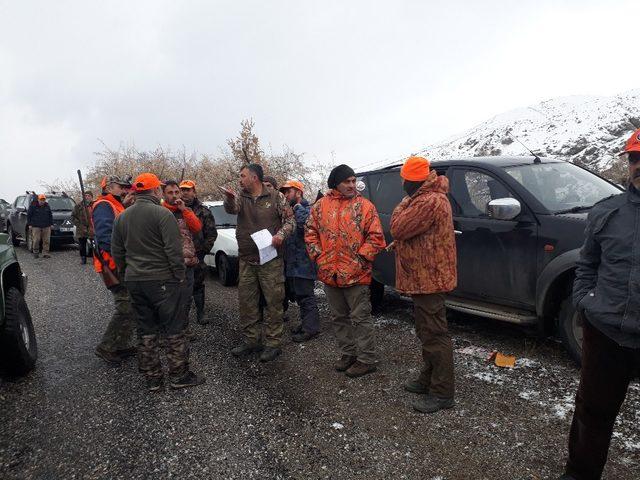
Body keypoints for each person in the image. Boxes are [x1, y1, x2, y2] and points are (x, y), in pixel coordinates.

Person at [559, 128, 640, 480]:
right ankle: (580, 472)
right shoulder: (607, 212)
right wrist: (585, 303)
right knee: (592, 411)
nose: (639, 165)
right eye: (635, 158)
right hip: (605, 331)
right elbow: (587, 263)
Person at [112, 172, 204, 391]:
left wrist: (127, 274)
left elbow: (117, 252)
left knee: (145, 329)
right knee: (174, 327)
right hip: (162, 280)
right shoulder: (163, 215)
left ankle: (153, 378)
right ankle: (178, 375)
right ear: (154, 191)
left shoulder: (122, 217)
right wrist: (179, 275)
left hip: (135, 280)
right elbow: (173, 251)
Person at [389, 156, 457, 413]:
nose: (403, 184)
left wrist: (404, 204)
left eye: (405, 179)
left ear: (413, 180)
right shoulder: (428, 198)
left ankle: (442, 393)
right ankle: (428, 379)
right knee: (426, 332)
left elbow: (398, 227)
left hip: (430, 279)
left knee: (435, 335)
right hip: (424, 278)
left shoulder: (427, 201)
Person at [305, 164, 386, 377]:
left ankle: (366, 358)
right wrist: (319, 256)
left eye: (353, 181)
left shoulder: (365, 206)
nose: (352, 185)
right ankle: (348, 353)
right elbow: (310, 232)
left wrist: (360, 259)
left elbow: (376, 237)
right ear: (335, 183)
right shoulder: (320, 206)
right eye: (347, 181)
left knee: (361, 318)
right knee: (338, 317)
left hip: (356, 274)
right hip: (329, 273)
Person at [221, 163, 294, 362]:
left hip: (270, 259)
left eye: (243, 176)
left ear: (254, 177)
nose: (240, 179)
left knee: (273, 302)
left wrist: (281, 235)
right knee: (247, 302)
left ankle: (273, 343)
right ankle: (251, 341)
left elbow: (290, 221)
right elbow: (231, 209)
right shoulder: (240, 197)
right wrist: (228, 198)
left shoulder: (276, 197)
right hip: (247, 259)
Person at [92, 175, 137, 365]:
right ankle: (106, 347)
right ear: (109, 188)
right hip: (114, 265)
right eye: (121, 187)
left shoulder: (114, 204)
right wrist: (122, 260)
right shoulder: (103, 205)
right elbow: (105, 237)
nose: (125, 190)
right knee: (125, 305)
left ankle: (121, 344)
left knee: (130, 305)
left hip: (119, 263)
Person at [279, 180, 320, 342]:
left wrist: (297, 208)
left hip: (304, 263)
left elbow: (306, 225)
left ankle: (311, 329)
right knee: (300, 297)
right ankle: (306, 325)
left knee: (306, 296)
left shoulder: (308, 208)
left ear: (298, 193)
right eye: (284, 192)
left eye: (288, 192)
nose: (285, 195)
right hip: (293, 264)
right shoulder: (288, 211)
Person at [163, 181, 202, 336]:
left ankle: (183, 328)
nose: (174, 196)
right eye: (170, 193)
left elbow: (197, 228)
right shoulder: (160, 211)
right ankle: (169, 330)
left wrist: (184, 210)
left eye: (176, 192)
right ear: (163, 194)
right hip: (168, 265)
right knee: (169, 300)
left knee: (186, 298)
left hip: (188, 263)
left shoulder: (186, 210)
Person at [179, 180, 217, 325]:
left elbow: (212, 234)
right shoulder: (174, 209)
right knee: (181, 289)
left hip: (197, 255)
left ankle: (201, 313)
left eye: (188, 190)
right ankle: (183, 319)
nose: (185, 193)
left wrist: (202, 251)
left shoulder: (204, 211)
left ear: (194, 192)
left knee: (198, 284)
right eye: (182, 190)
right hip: (179, 257)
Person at [27, 194, 53, 259]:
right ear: (38, 199)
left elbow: (50, 215)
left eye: (43, 199)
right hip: (36, 226)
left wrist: (51, 224)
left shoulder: (47, 206)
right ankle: (36, 253)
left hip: (46, 226)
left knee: (46, 240)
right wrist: (30, 224)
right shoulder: (33, 206)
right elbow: (29, 215)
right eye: (41, 199)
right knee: (36, 240)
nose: (42, 201)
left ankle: (45, 253)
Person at [72, 191, 95, 264]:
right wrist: (79, 225)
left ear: (92, 197)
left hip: (92, 227)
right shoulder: (78, 206)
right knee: (82, 245)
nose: (87, 197)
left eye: (89, 196)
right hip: (81, 229)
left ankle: (96, 259)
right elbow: (73, 217)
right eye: (86, 196)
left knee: (94, 244)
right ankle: (83, 259)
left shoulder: (95, 205)